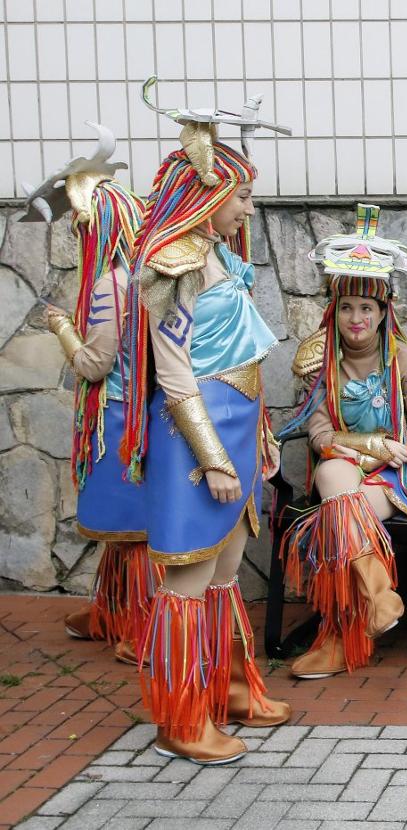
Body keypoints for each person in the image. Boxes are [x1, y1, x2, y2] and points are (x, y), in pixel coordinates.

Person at [120, 97, 291, 764]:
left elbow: (238, 357)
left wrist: (259, 438)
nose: (249, 208)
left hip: (237, 425)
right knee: (188, 580)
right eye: (243, 196)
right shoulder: (177, 264)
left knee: (223, 571)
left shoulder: (213, 252)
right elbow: (174, 371)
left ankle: (230, 690)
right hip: (198, 437)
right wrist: (216, 457)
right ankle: (181, 719)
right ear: (210, 192)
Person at [279, 204, 407, 679]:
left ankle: (338, 635)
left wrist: (395, 451)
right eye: (347, 307)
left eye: (366, 308)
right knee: (332, 474)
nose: (355, 318)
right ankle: (377, 595)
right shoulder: (322, 359)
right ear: (335, 310)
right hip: (343, 464)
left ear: (383, 311)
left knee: (340, 516)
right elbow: (320, 430)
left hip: (394, 473)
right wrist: (355, 445)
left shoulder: (403, 358)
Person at [22, 123, 162, 664]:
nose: (78, 237)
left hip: (120, 419)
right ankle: (112, 610)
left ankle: (140, 623)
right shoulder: (145, 276)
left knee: (128, 527)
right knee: (124, 525)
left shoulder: (110, 285)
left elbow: (94, 363)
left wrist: (61, 326)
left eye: (82, 227)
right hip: (141, 415)